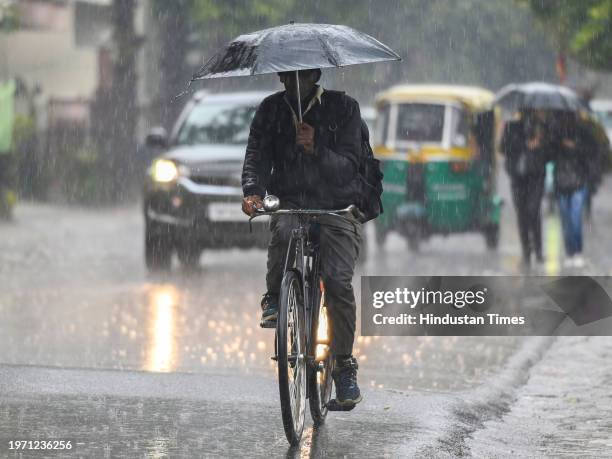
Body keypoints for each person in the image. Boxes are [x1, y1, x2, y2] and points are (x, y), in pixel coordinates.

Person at [241, 68, 363, 406]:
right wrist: (252, 191)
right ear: (280, 77)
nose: (292, 81)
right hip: (291, 202)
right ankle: (274, 300)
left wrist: (316, 147)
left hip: (336, 206)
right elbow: (256, 155)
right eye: (287, 75)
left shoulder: (344, 109)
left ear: (316, 74)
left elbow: (352, 166)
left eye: (301, 75)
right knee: (282, 229)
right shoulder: (270, 110)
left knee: (338, 283)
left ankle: (343, 366)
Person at [500, 109, 550, 268]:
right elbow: (503, 147)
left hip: (536, 176)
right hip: (518, 176)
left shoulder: (542, 127)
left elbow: (551, 151)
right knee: (521, 213)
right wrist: (525, 144)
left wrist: (540, 144)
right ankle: (526, 252)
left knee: (533, 211)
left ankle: (539, 250)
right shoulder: (511, 126)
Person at [551, 112, 598, 268]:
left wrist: (575, 147)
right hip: (562, 182)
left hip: (578, 181)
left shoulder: (585, 133)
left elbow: (592, 155)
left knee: (575, 217)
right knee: (566, 219)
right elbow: (549, 154)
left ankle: (577, 251)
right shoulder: (556, 133)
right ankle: (570, 252)